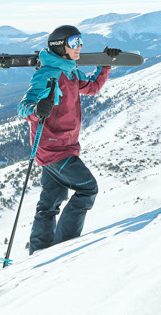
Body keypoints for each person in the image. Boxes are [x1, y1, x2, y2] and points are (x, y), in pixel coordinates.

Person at [17, 24, 121, 254]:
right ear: (60, 47)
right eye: (74, 43)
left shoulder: (71, 72)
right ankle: (64, 247)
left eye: (80, 41)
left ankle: (39, 252)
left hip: (63, 148)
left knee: (49, 203)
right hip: (54, 149)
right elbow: (23, 108)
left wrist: (106, 64)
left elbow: (92, 88)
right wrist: (36, 109)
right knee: (87, 188)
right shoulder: (48, 75)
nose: (80, 47)